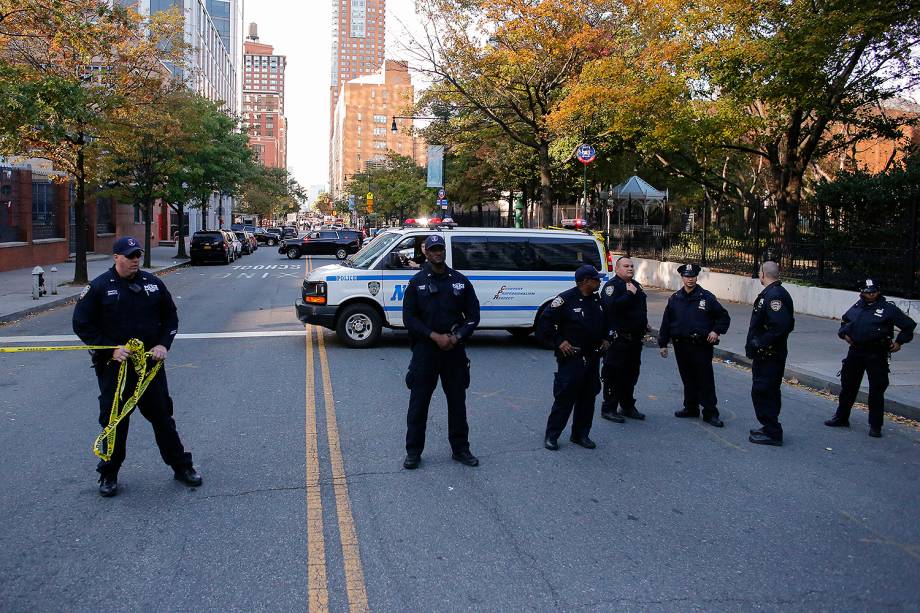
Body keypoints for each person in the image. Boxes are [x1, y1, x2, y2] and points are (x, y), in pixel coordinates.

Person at [72, 236, 201, 497]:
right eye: (129, 256)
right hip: (115, 369)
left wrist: (164, 344)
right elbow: (82, 324)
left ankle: (181, 467)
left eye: (137, 255)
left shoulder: (153, 284)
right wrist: (110, 348)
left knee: (163, 419)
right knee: (115, 422)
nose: (135, 260)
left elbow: (170, 317)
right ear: (115, 257)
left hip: (150, 368)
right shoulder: (99, 287)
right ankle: (108, 473)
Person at [402, 234, 481, 469]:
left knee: (457, 403)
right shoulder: (417, 283)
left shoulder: (460, 281)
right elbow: (409, 318)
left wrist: (456, 337)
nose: (437, 253)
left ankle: (461, 449)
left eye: (440, 249)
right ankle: (413, 451)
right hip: (426, 350)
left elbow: (473, 316)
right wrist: (433, 336)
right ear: (426, 252)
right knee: (419, 404)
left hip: (454, 351)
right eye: (433, 249)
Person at [824, 278, 915, 437]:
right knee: (848, 386)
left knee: (876, 389)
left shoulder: (888, 309)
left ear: (878, 292)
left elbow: (908, 326)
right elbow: (845, 322)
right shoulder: (858, 306)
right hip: (856, 351)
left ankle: (875, 425)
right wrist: (844, 334)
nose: (870, 295)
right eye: (867, 292)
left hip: (876, 353)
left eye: (873, 292)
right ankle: (841, 417)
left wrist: (899, 342)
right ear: (862, 293)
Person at [539, 264, 610, 450]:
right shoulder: (565, 299)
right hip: (572, 358)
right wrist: (559, 341)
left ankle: (580, 435)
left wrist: (606, 338)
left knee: (588, 398)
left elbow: (606, 323)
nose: (599, 281)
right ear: (585, 281)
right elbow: (544, 324)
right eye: (596, 278)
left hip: (593, 357)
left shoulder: (597, 301)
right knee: (565, 397)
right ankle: (552, 435)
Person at [658, 263, 731, 427]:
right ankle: (691, 407)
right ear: (682, 277)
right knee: (687, 378)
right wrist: (663, 343)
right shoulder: (675, 298)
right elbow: (667, 322)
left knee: (704, 379)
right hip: (681, 345)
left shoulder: (706, 297)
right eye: (687, 276)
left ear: (696, 277)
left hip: (701, 346)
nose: (690, 279)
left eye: (692, 276)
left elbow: (723, 317)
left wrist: (716, 331)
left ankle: (710, 412)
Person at [745, 261, 795, 446]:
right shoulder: (771, 293)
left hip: (770, 355)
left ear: (763, 274)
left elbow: (780, 327)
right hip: (765, 354)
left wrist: (760, 343)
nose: (759, 275)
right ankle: (767, 426)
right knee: (764, 390)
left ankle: (773, 431)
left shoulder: (775, 296)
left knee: (764, 391)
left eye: (759, 272)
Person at [600, 256, 648, 423]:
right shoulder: (612, 287)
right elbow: (611, 308)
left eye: (632, 266)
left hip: (634, 340)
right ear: (617, 269)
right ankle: (609, 408)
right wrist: (628, 294)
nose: (630, 269)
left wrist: (644, 323)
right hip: (618, 340)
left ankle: (627, 406)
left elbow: (640, 308)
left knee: (631, 374)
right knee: (613, 374)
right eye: (626, 266)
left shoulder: (636, 286)